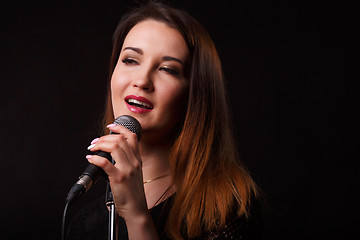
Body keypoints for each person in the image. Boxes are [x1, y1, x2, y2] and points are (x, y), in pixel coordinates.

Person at [66, 1, 263, 239]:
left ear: (194, 93)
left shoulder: (227, 206)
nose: (142, 80)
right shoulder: (83, 223)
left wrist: (137, 216)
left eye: (167, 69)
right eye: (130, 60)